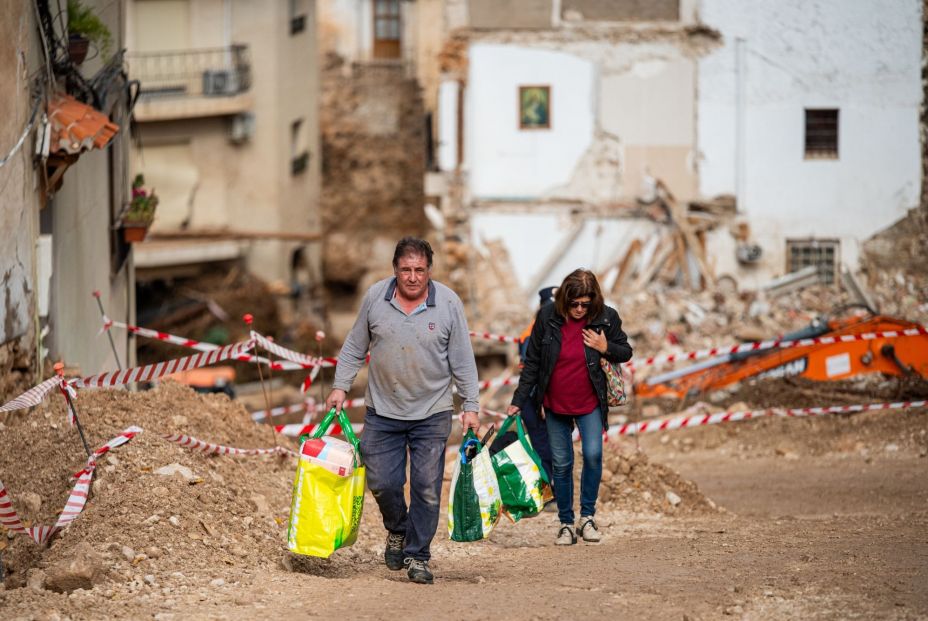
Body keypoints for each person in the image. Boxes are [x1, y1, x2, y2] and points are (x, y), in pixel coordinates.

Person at [327, 237, 479, 585]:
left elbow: (463, 360)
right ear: (395, 270)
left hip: (433, 411)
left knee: (426, 486)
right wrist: (340, 386)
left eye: (420, 270)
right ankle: (397, 529)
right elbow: (354, 346)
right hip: (383, 410)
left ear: (429, 271)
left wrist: (470, 405)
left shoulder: (449, 304)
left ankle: (417, 555)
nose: (412, 277)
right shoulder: (375, 299)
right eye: (406, 270)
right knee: (381, 482)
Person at [507, 269, 632, 545]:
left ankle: (587, 517)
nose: (578, 309)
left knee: (593, 454)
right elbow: (534, 362)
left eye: (585, 304)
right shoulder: (548, 316)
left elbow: (626, 351)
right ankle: (566, 522)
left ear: (593, 301)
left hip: (589, 402)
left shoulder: (606, 317)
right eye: (574, 303)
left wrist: (604, 345)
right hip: (554, 404)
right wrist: (518, 401)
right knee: (562, 464)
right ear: (565, 298)